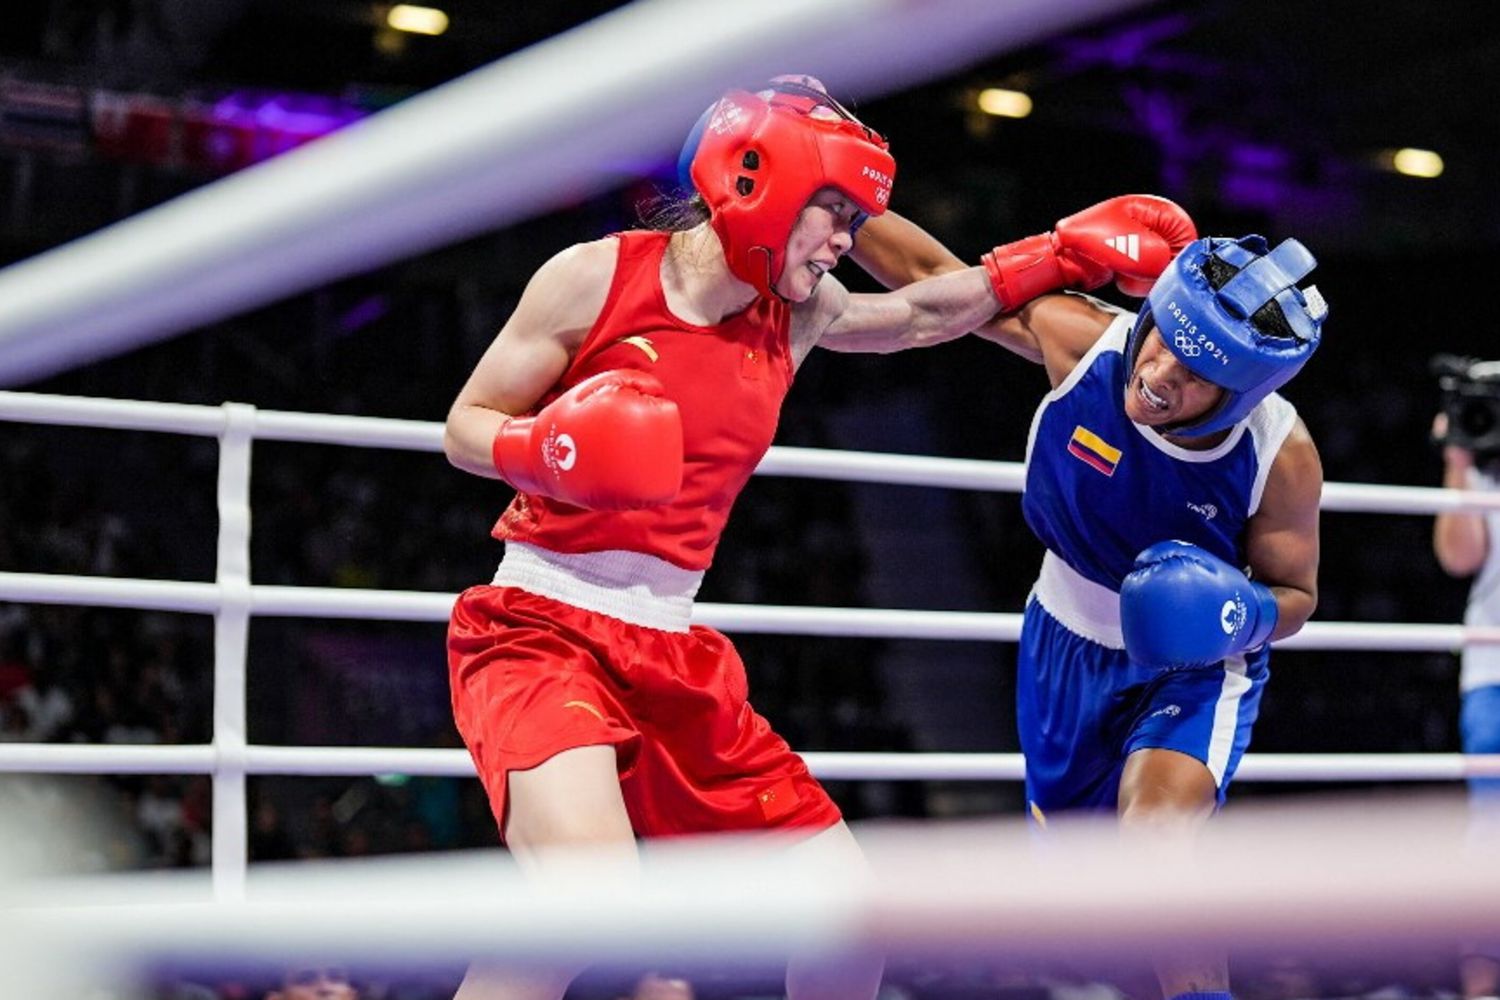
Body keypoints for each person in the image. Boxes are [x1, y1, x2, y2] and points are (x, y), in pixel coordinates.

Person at [442, 76, 1190, 1000]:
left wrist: (1054, 254)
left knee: (850, 912)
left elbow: (921, 314)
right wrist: (545, 448)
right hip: (542, 624)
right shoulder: (592, 277)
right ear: (758, 182)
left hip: (671, 645)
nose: (847, 240)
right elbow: (466, 423)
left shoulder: (797, 314)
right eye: (833, 211)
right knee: (584, 901)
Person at [853, 220, 1327, 1000]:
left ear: (1240, 394)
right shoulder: (1086, 343)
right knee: (1098, 908)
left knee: (1156, 848)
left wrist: (1235, 614)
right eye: (1163, 343)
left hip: (1192, 669)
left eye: (1197, 375)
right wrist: (842, 203)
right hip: (1061, 641)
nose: (1160, 374)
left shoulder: (1281, 456)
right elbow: (934, 274)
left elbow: (1297, 595)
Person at [1431, 409, 1500, 1000]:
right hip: (1495, 668)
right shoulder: (1485, 469)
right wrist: (1459, 460)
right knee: (1491, 834)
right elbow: (1458, 558)